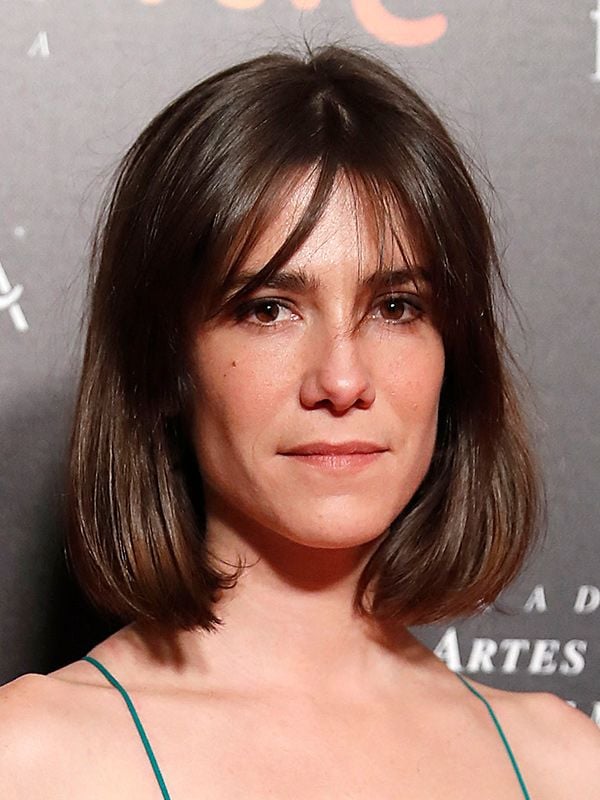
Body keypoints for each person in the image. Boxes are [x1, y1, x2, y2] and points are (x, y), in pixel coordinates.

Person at [1, 43, 599, 799]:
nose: (342, 381)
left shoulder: (565, 767)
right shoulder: (30, 759)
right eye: (269, 309)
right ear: (163, 366)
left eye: (396, 307)